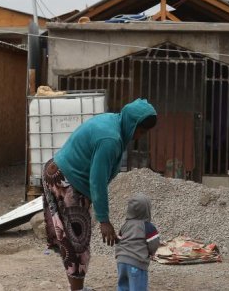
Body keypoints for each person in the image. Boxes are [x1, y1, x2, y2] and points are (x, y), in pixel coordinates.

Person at [42, 98, 157, 291]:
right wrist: (104, 220)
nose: (140, 135)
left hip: (58, 172)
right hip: (67, 182)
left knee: (72, 240)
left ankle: (77, 288)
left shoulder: (114, 123)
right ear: (132, 123)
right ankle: (77, 289)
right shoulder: (110, 140)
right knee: (78, 244)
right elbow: (97, 180)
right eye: (141, 130)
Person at [115, 193, 160, 291]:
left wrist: (120, 255)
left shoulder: (125, 226)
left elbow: (118, 241)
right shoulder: (147, 226)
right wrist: (151, 252)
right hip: (137, 262)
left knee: (123, 287)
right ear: (147, 210)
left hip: (121, 262)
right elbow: (154, 243)